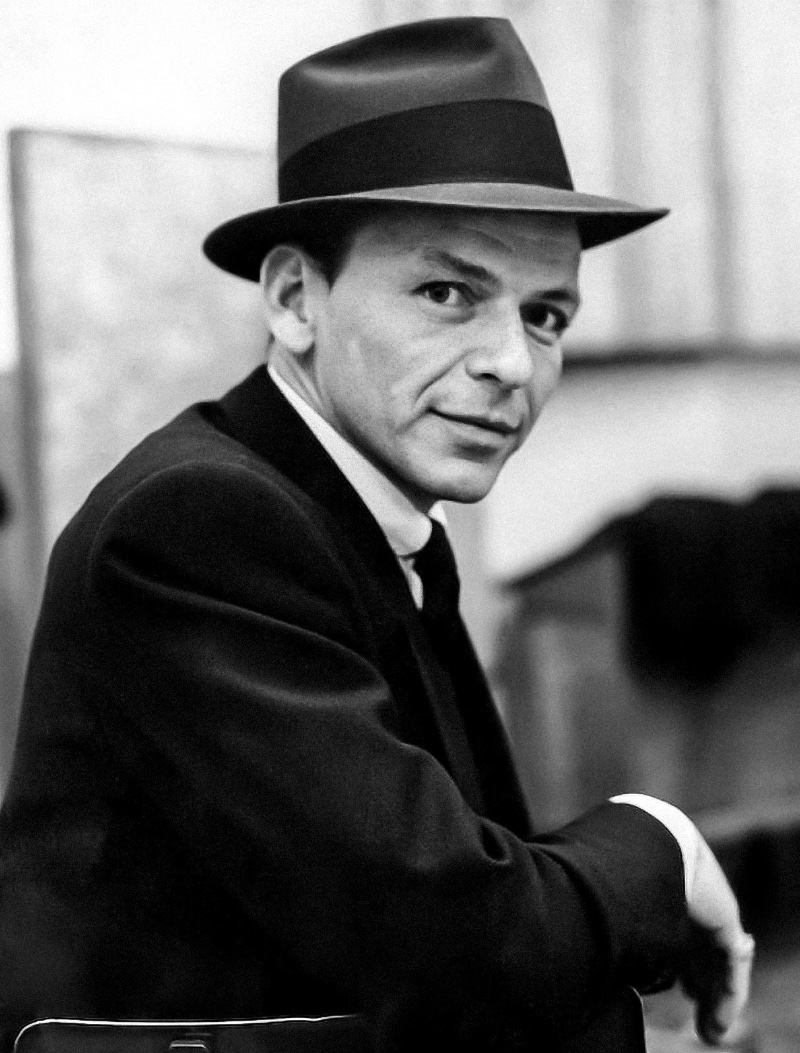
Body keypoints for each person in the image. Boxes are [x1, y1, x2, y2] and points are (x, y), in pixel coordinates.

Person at [0, 17, 753, 1053]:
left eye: (544, 317)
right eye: (448, 293)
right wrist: (661, 845)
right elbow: (458, 945)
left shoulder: (370, 513)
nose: (511, 365)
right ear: (294, 298)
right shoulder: (202, 523)